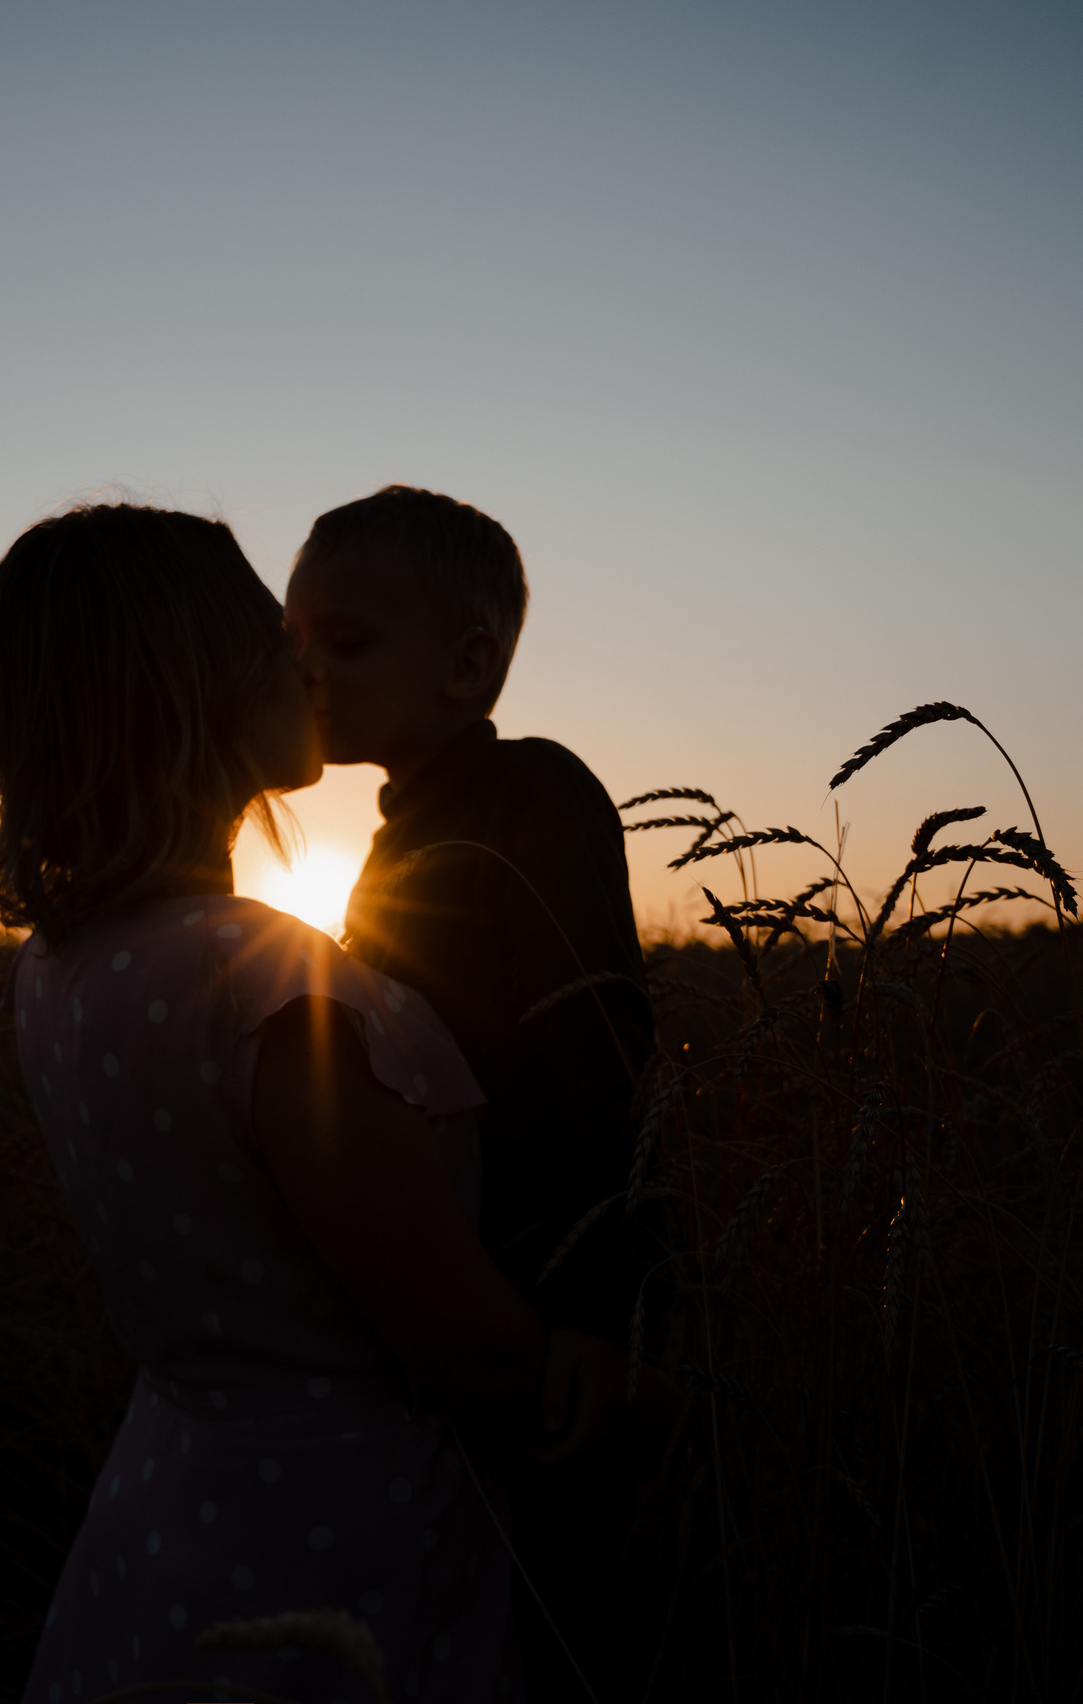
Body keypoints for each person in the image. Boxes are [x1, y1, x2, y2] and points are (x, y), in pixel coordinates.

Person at [0, 502, 552, 1704]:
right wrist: (636, 1392)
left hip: (169, 1509)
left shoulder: (58, 967)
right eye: (266, 632)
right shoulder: (262, 984)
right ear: (193, 688)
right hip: (340, 1536)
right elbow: (457, 1333)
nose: (301, 655)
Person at [284, 485, 681, 1701]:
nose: (306, 676)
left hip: (544, 1309)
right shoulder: (398, 837)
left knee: (566, 1628)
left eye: (344, 646)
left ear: (468, 665)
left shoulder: (534, 794)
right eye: (290, 648)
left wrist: (597, 1313)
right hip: (469, 1305)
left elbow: (594, 1041)